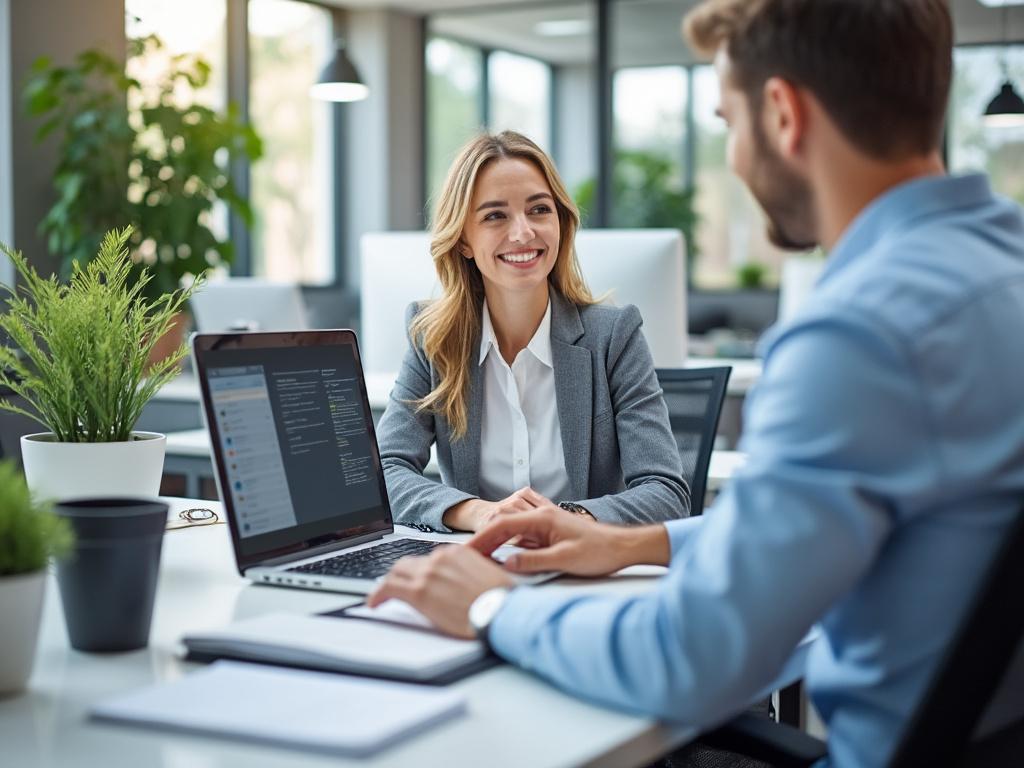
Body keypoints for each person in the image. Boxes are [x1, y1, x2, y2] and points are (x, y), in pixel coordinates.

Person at [368, 1, 1024, 765]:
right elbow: (806, 526)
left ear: (782, 114)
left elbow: (690, 658)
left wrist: (488, 605)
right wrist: (628, 542)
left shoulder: (855, 338)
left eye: (726, 122)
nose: (735, 159)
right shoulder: (998, 270)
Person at [376, 131, 689, 533]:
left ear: (561, 223)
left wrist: (564, 520)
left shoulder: (613, 338)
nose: (523, 233)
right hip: (475, 564)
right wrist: (478, 513)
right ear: (464, 240)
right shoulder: (434, 340)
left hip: (581, 567)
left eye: (539, 210)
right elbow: (384, 471)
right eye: (494, 215)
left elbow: (665, 492)